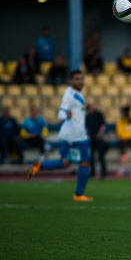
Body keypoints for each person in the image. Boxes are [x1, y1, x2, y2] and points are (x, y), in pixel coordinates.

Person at [27, 70, 93, 202]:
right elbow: (61, 114)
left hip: (67, 134)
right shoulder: (69, 95)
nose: (80, 81)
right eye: (77, 79)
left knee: (65, 162)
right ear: (71, 81)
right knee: (85, 162)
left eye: (81, 79)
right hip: (77, 135)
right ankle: (79, 195)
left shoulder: (75, 93)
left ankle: (40, 166)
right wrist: (66, 115)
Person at [86, 101, 108, 179]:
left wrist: (100, 134)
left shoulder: (98, 114)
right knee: (91, 157)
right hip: (91, 139)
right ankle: (92, 173)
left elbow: (103, 125)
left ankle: (104, 174)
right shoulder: (87, 116)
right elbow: (86, 128)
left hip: (98, 138)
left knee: (101, 156)